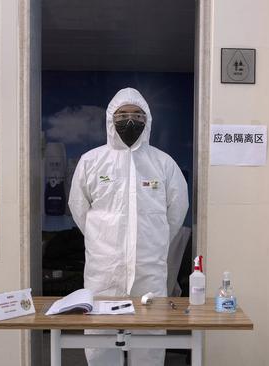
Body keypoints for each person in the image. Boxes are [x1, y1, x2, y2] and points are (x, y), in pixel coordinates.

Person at [69, 87, 189, 366]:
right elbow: (79, 208)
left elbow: (177, 211)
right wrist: (102, 238)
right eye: (123, 114)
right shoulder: (91, 161)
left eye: (137, 114)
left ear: (148, 121)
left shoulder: (163, 163)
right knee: (100, 339)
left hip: (149, 268)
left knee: (150, 338)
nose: (130, 120)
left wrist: (153, 240)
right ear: (111, 119)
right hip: (104, 269)